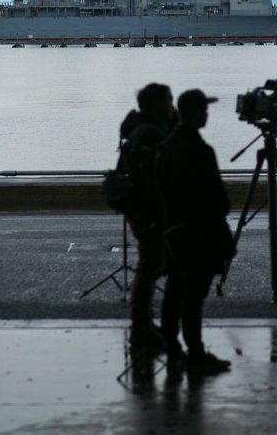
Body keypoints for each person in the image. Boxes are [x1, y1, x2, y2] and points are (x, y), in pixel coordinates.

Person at [157, 89, 234, 375]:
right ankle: (196, 353)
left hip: (174, 231)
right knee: (193, 298)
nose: (207, 114)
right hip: (200, 233)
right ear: (193, 113)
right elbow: (218, 199)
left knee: (175, 292)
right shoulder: (201, 150)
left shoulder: (167, 147)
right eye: (203, 110)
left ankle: (173, 347)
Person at [116, 83, 175, 353]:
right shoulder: (149, 135)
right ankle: (141, 330)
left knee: (148, 268)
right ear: (155, 104)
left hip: (140, 209)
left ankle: (143, 327)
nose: (171, 105)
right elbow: (155, 177)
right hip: (150, 211)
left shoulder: (140, 130)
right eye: (167, 100)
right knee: (149, 269)